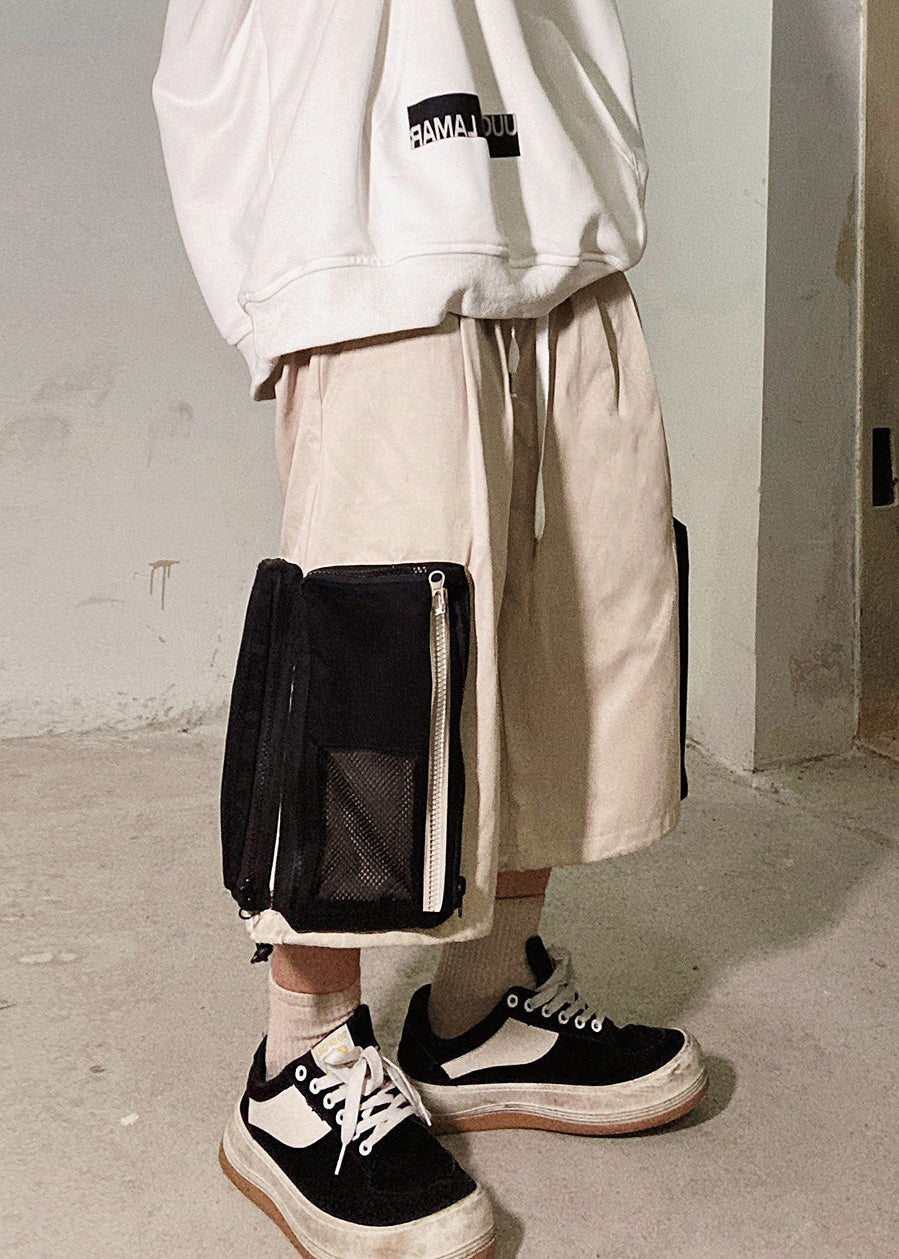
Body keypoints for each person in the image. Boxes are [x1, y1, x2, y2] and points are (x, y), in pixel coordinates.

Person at [152, 3, 708, 1256]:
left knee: (573, 615)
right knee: (374, 656)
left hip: (550, 180)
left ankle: (482, 1003)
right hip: (367, 212)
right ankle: (298, 1058)